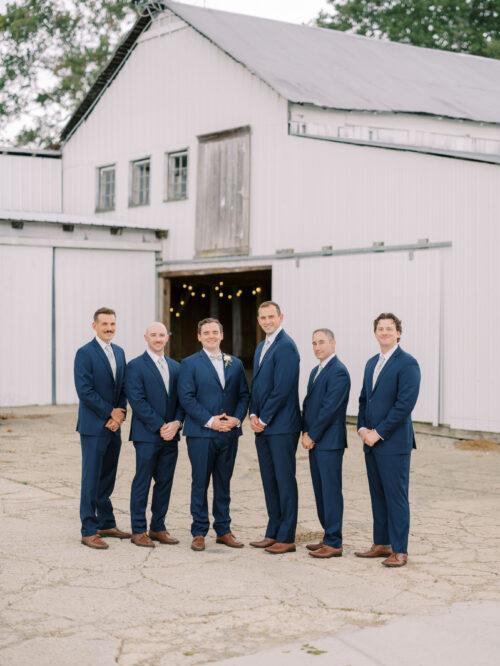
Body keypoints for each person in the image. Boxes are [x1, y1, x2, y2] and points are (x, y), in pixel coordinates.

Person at [178, 318, 249, 552]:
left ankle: (223, 530)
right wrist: (210, 422)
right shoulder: (189, 364)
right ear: (199, 336)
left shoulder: (235, 363)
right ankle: (199, 531)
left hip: (228, 433)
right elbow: (187, 398)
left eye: (214, 332)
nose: (211, 336)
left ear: (222, 334)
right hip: (201, 434)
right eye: (206, 332)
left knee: (223, 482)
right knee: (200, 482)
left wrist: (236, 419)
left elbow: (243, 396)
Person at [356, 313, 421, 568]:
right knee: (377, 494)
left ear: (398, 333)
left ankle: (400, 550)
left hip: (393, 443)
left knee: (395, 496)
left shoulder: (408, 363)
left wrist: (378, 432)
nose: (384, 332)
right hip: (370, 441)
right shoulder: (372, 363)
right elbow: (364, 398)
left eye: (389, 328)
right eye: (380, 328)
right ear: (375, 333)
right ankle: (381, 543)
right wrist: (362, 427)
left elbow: (404, 405)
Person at [74, 307, 131, 549]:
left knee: (108, 476)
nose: (109, 328)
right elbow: (84, 390)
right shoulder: (85, 353)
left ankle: (106, 522)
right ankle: (88, 529)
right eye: (105, 324)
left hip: (113, 425)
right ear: (94, 326)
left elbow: (124, 388)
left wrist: (120, 415)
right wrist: (110, 412)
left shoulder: (119, 352)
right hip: (93, 426)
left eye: (113, 324)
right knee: (91, 478)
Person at [249, 301, 301, 554]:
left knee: (284, 479)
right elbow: (258, 386)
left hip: (281, 427)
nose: (267, 321)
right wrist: (253, 414)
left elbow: (283, 389)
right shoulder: (262, 347)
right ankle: (273, 531)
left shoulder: (287, 347)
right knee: (269, 480)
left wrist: (264, 418)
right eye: (263, 317)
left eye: (272, 316)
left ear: (281, 317)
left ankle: (287, 536)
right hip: (264, 425)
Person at [125, 322, 184, 548]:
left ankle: (158, 527)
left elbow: (182, 400)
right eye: (153, 335)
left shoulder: (176, 367)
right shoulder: (135, 366)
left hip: (171, 435)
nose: (158, 338)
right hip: (147, 434)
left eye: (161, 335)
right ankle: (138, 530)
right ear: (146, 337)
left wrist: (176, 424)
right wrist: (161, 425)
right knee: (143, 481)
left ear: (167, 337)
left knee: (165, 482)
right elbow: (137, 401)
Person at [301, 328, 350, 559]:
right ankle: (327, 535)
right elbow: (309, 405)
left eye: (321, 342)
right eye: (314, 343)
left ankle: (334, 542)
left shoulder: (339, 372)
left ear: (333, 343)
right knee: (320, 491)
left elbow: (329, 409)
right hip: (314, 440)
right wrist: (304, 431)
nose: (317, 347)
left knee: (330, 491)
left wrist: (313, 435)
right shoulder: (315, 371)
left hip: (329, 442)